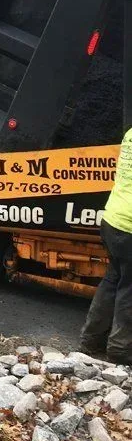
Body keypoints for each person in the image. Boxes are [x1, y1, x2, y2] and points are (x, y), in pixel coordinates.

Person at [80, 128, 132, 365]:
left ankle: (91, 341)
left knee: (113, 279)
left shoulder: (130, 133)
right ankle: (120, 350)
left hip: (112, 219)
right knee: (128, 288)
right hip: (130, 226)